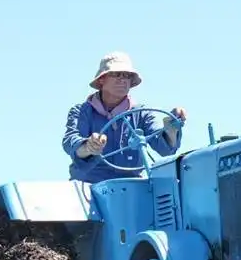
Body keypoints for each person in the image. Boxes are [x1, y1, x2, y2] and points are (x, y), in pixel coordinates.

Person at [62, 51, 187, 184]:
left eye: (127, 76)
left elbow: (165, 149)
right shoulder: (81, 111)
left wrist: (171, 130)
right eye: (116, 74)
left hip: (132, 188)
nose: (122, 80)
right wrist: (89, 146)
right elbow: (71, 141)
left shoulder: (141, 114)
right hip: (87, 186)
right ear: (101, 79)